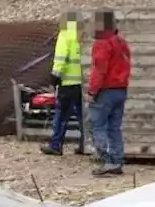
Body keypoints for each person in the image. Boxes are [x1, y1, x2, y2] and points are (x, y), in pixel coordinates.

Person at [87, 10, 131, 176]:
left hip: (105, 91)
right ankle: (117, 160)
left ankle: (107, 161)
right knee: (114, 128)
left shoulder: (102, 43)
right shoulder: (121, 42)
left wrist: (91, 92)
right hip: (121, 90)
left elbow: (100, 70)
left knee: (97, 126)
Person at [40, 12, 84, 157]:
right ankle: (85, 145)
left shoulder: (65, 35)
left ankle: (56, 145)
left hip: (67, 83)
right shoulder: (81, 35)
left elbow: (61, 57)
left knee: (61, 116)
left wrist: (55, 76)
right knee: (83, 116)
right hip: (82, 83)